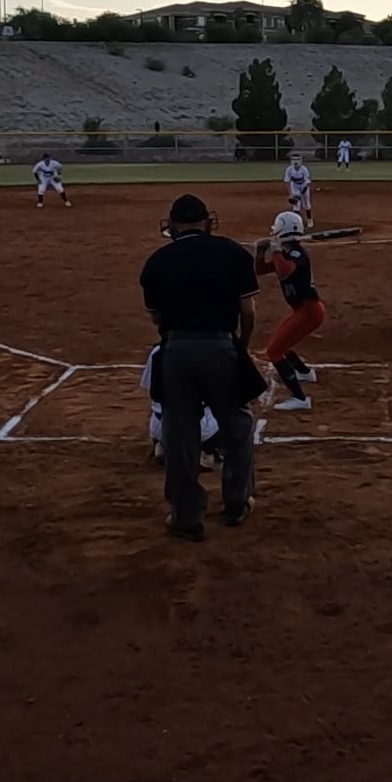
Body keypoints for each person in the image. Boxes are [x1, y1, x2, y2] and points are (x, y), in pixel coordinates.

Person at [139, 195, 263, 541]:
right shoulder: (233, 252)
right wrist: (241, 347)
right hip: (221, 347)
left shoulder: (157, 261)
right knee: (237, 427)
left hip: (176, 351)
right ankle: (237, 503)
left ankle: (185, 516)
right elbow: (248, 312)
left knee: (179, 435)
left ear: (173, 225)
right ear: (208, 222)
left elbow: (157, 318)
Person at [255, 210, 327, 412]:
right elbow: (260, 270)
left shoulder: (296, 253)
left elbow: (285, 271)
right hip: (304, 310)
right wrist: (260, 251)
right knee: (282, 344)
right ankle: (305, 373)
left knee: (274, 350)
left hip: (309, 311)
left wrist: (276, 250)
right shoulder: (287, 252)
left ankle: (300, 398)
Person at [140, 344, 221, 470]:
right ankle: (206, 452)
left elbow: (150, 390)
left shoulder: (158, 350)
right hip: (198, 429)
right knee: (232, 412)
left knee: (162, 408)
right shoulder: (214, 350)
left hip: (161, 426)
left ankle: (162, 446)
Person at [284, 152, 314, 227]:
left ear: (301, 161)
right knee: (296, 204)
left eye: (297, 160)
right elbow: (287, 182)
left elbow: (307, 183)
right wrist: (290, 194)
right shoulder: (289, 169)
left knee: (307, 204)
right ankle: (296, 222)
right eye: (294, 160)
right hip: (294, 186)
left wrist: (302, 193)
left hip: (304, 186)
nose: (295, 162)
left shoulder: (304, 169)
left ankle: (309, 220)